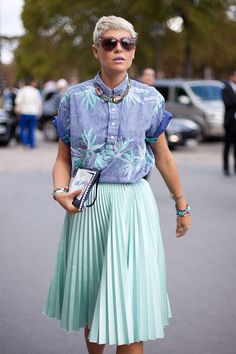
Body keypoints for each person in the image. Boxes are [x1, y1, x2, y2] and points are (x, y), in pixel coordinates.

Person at [43, 16, 191, 354]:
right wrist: (59, 191)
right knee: (94, 304)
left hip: (133, 206)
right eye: (110, 43)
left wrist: (182, 206)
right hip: (88, 206)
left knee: (130, 309)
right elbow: (63, 159)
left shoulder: (150, 99)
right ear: (96, 50)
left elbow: (164, 158)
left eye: (127, 43)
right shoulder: (73, 99)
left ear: (134, 51)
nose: (119, 49)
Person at [15, 77, 42, 148]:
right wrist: (39, 112)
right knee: (31, 129)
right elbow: (39, 103)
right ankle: (32, 144)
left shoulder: (22, 91)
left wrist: (17, 112)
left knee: (22, 128)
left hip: (24, 112)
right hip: (34, 113)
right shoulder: (36, 91)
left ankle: (26, 143)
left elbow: (18, 102)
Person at [222, 69, 236, 175]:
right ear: (231, 77)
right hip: (230, 122)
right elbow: (227, 102)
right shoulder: (226, 88)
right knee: (227, 145)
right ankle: (226, 167)